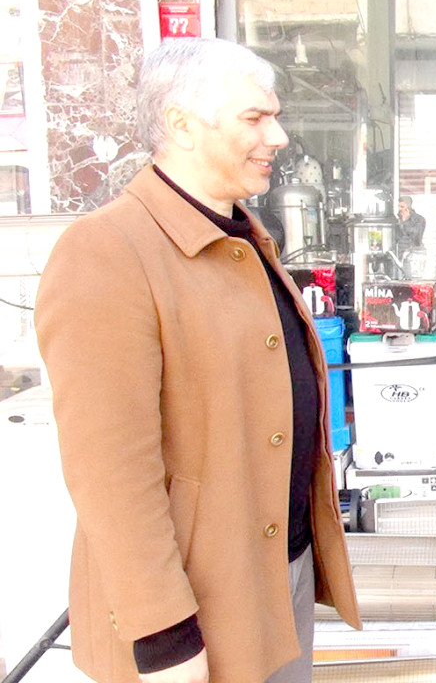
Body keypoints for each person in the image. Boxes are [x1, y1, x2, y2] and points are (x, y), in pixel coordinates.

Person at [35, 38, 360, 683]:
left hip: (273, 576)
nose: (280, 136)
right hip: (195, 611)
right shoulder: (106, 251)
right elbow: (110, 472)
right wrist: (163, 633)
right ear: (181, 123)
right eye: (254, 118)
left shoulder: (241, 235)